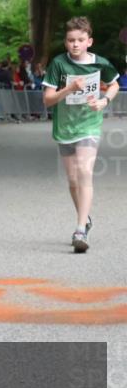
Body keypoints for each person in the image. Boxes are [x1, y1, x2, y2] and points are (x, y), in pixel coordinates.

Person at [42, 16, 120, 253]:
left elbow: (114, 84)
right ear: (65, 42)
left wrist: (104, 100)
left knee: (85, 171)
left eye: (80, 40)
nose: (75, 44)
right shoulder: (58, 64)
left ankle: (79, 229)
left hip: (89, 124)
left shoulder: (101, 64)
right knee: (73, 179)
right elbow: (48, 100)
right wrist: (69, 89)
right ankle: (85, 218)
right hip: (64, 127)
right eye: (70, 40)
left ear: (89, 41)